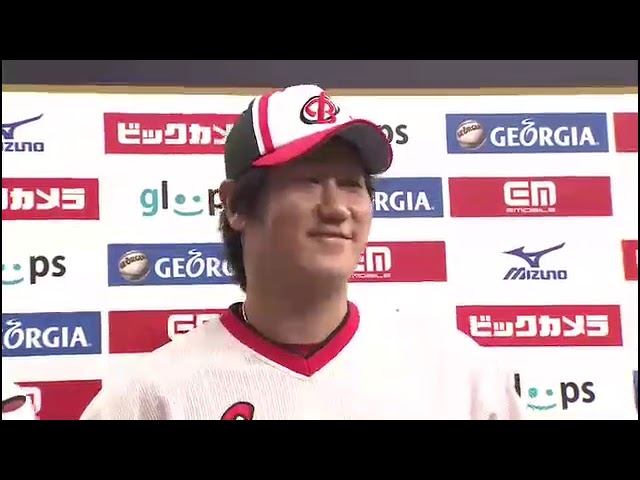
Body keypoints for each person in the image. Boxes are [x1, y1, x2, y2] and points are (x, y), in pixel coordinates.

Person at [81, 84, 523, 420]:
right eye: (308, 181)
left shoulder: (461, 377)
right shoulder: (148, 399)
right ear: (235, 206)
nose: (336, 208)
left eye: (351, 184)